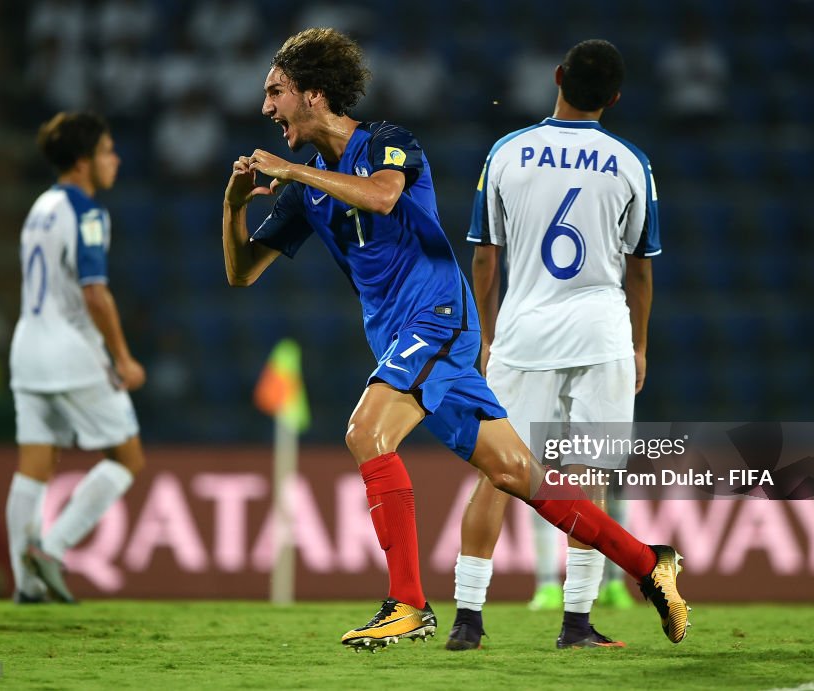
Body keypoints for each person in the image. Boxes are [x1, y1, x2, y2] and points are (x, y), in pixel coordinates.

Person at [222, 28, 688, 651]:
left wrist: (293, 171)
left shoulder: (388, 144)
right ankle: (649, 563)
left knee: (367, 432)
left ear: (313, 94)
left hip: (437, 316)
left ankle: (408, 605)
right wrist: (232, 210)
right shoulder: (308, 188)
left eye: (275, 92)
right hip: (399, 333)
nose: (265, 108)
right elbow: (242, 271)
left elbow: (385, 198)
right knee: (516, 472)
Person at [447, 38, 660, 651]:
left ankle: (467, 619)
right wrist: (640, 345)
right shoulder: (629, 162)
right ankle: (576, 624)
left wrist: (486, 338)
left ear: (558, 77)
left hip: (522, 334)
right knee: (588, 472)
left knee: (495, 474)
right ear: (614, 98)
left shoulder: (507, 152)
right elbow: (640, 268)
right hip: (600, 335)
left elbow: (485, 258)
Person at [6, 111, 146, 604]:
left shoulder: (40, 206)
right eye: (108, 151)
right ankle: (53, 547)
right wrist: (123, 359)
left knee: (34, 466)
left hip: (26, 348)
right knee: (128, 457)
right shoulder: (86, 211)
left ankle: (26, 588)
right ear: (84, 163)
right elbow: (94, 292)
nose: (116, 159)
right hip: (70, 350)